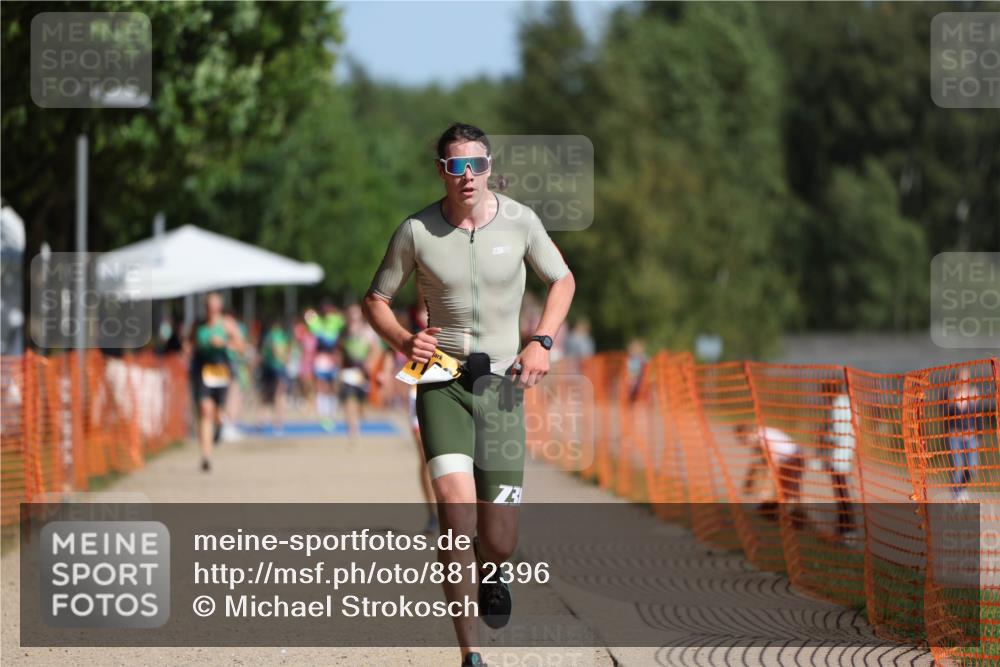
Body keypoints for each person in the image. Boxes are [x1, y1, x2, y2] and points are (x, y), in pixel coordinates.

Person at [362, 123, 575, 667]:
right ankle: (470, 653)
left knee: (499, 538)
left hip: (503, 388)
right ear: (441, 171)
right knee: (457, 512)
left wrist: (542, 341)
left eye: (476, 165)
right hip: (440, 383)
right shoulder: (417, 230)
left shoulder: (522, 221)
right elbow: (376, 300)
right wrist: (404, 339)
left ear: (489, 166)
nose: (467, 177)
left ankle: (496, 567)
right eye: (456, 166)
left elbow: (563, 280)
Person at [189, 292, 244, 472]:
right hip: (202, 370)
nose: (211, 309)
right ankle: (206, 456)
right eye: (209, 306)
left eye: (215, 306)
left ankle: (220, 426)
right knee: (205, 411)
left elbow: (242, 347)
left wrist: (224, 344)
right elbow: (189, 343)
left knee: (218, 412)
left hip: (221, 370)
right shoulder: (198, 325)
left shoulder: (227, 324)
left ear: (219, 307)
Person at [737, 422, 806, 529]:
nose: (743, 443)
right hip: (788, 459)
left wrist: (767, 488)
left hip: (793, 459)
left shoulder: (763, 438)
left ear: (748, 434)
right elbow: (759, 462)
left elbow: (773, 463)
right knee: (783, 492)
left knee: (787, 492)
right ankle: (773, 512)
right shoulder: (759, 438)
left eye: (743, 439)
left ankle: (795, 519)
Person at [337, 303, 382, 442]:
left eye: (355, 314)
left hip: (363, 372)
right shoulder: (344, 332)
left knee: (360, 400)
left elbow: (377, 350)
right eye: (351, 314)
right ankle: (352, 428)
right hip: (348, 371)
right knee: (349, 399)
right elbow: (339, 351)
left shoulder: (368, 331)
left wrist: (370, 363)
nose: (353, 317)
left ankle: (357, 419)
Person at [946, 368, 988, 501]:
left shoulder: (974, 393)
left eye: (966, 378)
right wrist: (951, 397)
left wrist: (980, 435)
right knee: (958, 467)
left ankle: (961, 488)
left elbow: (978, 416)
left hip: (971, 436)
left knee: (972, 467)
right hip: (955, 436)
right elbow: (945, 415)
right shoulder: (950, 394)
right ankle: (957, 493)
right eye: (961, 378)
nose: (964, 381)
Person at [305, 299, 345, 431]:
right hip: (321, 360)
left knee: (332, 387)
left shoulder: (336, 321)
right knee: (321, 387)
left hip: (332, 360)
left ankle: (331, 415)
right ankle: (324, 417)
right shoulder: (317, 323)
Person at [260, 318, 290, 433]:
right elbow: (278, 351)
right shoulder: (278, 335)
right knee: (279, 395)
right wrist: (285, 359)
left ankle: (262, 419)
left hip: (269, 368)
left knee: (266, 395)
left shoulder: (267, 335)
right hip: (277, 368)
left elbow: (264, 352)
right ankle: (278, 423)